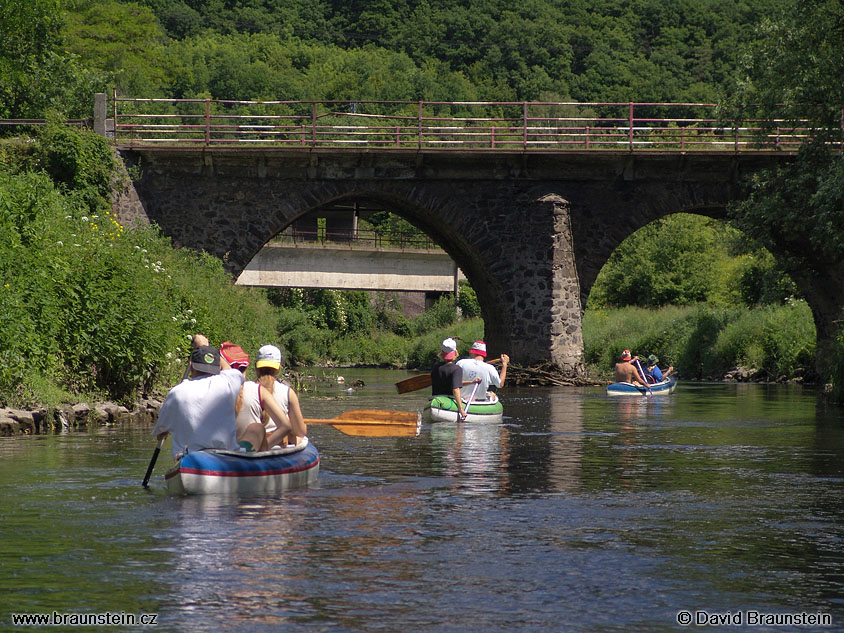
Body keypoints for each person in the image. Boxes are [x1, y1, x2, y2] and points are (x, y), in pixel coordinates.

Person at [152, 334, 248, 459]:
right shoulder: (228, 383)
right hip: (226, 458)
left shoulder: (177, 392)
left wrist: (163, 432)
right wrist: (205, 348)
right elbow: (227, 368)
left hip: (191, 460)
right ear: (217, 367)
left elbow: (160, 432)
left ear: (191, 366)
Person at [235, 344, 307, 451]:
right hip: (275, 446)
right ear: (279, 368)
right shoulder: (288, 393)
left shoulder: (243, 389)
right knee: (299, 438)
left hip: (247, 445)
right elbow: (300, 432)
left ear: (256, 367)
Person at [430, 337, 468, 420]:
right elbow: (455, 389)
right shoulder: (456, 369)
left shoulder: (435, 367)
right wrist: (461, 410)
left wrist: (472, 382)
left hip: (436, 399)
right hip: (448, 401)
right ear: (455, 352)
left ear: (442, 353)